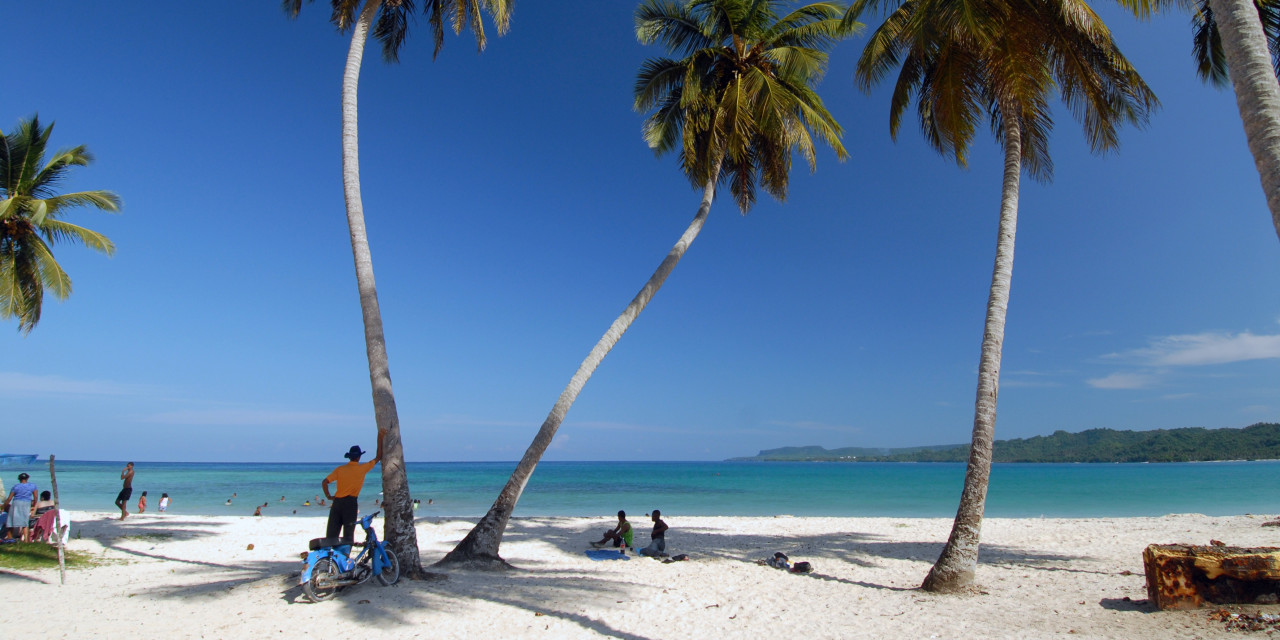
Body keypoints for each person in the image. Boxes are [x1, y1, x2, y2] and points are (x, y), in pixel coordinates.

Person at [322, 430, 385, 541]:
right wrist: (380, 437)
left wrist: (329, 496)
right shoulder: (362, 468)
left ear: (350, 457)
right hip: (350, 504)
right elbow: (379, 456)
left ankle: (331, 557)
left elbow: (325, 482)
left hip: (337, 503)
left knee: (331, 535)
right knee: (348, 535)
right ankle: (345, 557)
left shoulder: (340, 469)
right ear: (358, 457)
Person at [3, 474, 38, 542]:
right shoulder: (33, 486)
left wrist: (3, 506)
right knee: (25, 522)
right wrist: (34, 504)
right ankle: (26, 540)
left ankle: (10, 539)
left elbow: (9, 498)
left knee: (11, 521)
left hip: (16, 503)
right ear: (27, 479)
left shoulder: (16, 486)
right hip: (26, 503)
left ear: (19, 479)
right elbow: (35, 497)